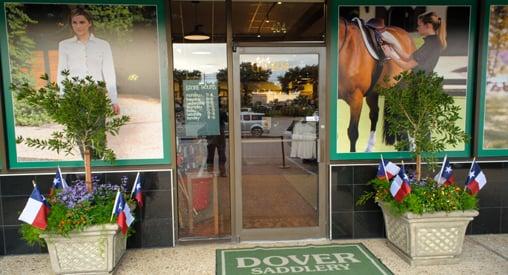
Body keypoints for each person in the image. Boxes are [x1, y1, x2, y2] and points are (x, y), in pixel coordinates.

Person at [57, 7, 119, 114]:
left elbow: (109, 73)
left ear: (89, 23)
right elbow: (62, 72)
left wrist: (114, 100)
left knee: (98, 129)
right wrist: (62, 97)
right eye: (74, 22)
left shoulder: (103, 45)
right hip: (74, 95)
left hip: (97, 94)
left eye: (82, 22)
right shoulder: (64, 45)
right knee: (76, 130)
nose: (78, 26)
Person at [382, 11, 447, 74]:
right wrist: (393, 44)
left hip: (417, 81)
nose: (417, 28)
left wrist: (390, 54)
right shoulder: (434, 41)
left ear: (428, 26)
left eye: (419, 25)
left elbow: (407, 66)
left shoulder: (430, 44)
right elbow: (408, 58)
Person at [206, 102, 228, 177]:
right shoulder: (221, 111)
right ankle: (222, 172)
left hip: (210, 133)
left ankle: (210, 171)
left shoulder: (208, 112)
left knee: (210, 153)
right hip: (220, 133)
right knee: (221, 152)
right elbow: (227, 120)